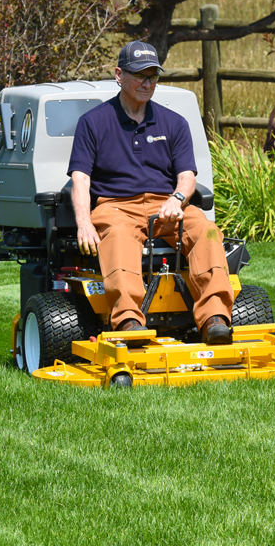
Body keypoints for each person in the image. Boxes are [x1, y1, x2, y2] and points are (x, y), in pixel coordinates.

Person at [68, 40, 235, 343]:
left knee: (207, 230)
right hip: (115, 207)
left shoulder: (174, 123)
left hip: (166, 205)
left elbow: (187, 177)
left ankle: (215, 319)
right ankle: (129, 321)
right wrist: (84, 223)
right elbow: (80, 179)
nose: (148, 83)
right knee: (117, 236)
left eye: (153, 76)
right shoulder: (93, 123)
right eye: (140, 75)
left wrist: (178, 199)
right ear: (119, 75)